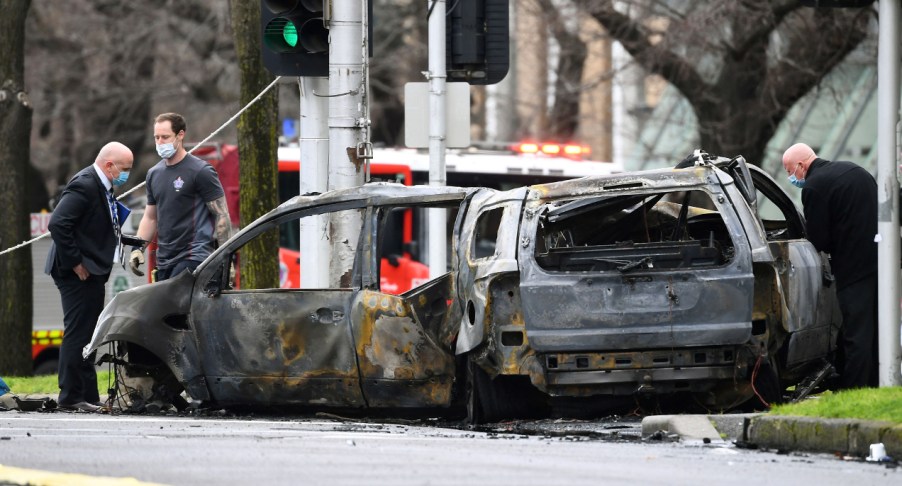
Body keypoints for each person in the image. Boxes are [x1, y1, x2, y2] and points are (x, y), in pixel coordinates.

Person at [45, 141, 134, 412]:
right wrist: (75, 262)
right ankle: (71, 396)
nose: (126, 174)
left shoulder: (102, 186)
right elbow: (58, 223)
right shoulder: (85, 185)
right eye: (124, 169)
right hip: (78, 272)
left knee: (89, 334)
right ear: (109, 165)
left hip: (93, 270)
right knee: (78, 332)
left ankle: (88, 395)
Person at [781, 142, 878, 389]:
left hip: (852, 270)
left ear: (801, 165)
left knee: (856, 336)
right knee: (875, 333)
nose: (791, 177)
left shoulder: (814, 187)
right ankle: (878, 384)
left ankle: (856, 390)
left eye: (790, 171)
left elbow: (819, 239)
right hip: (879, 265)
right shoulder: (856, 171)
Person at [129, 113, 232, 281]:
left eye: (165, 137)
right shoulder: (154, 174)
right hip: (164, 261)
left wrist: (226, 259)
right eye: (156, 137)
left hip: (194, 258)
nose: (160, 142)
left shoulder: (201, 171)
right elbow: (150, 218)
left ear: (180, 135)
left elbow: (221, 215)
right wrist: (137, 248)